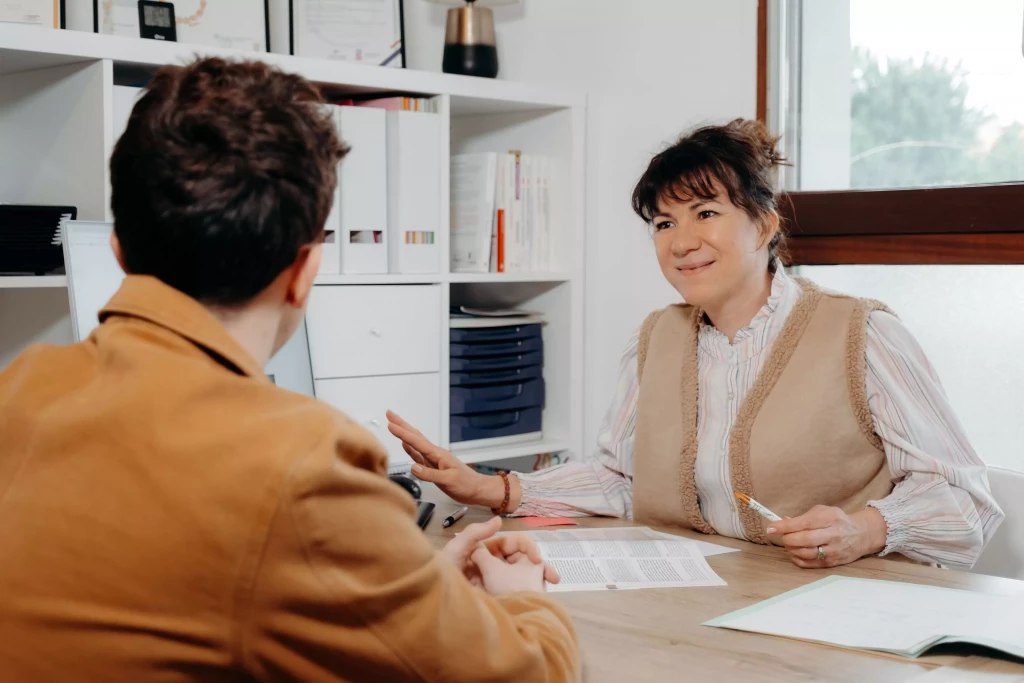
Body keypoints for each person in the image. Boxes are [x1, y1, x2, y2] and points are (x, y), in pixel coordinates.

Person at [0, 57, 580, 682]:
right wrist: (525, 598)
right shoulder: (302, 462)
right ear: (304, 271)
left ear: (118, 250)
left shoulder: (19, 389)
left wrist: (408, 589)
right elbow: (526, 677)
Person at [389, 118, 1004, 570]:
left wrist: (867, 529)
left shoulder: (864, 335)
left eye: (705, 213)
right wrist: (491, 487)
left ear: (764, 224)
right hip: (702, 601)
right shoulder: (656, 340)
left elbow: (967, 503)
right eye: (663, 222)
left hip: (840, 607)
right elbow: (623, 481)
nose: (681, 241)